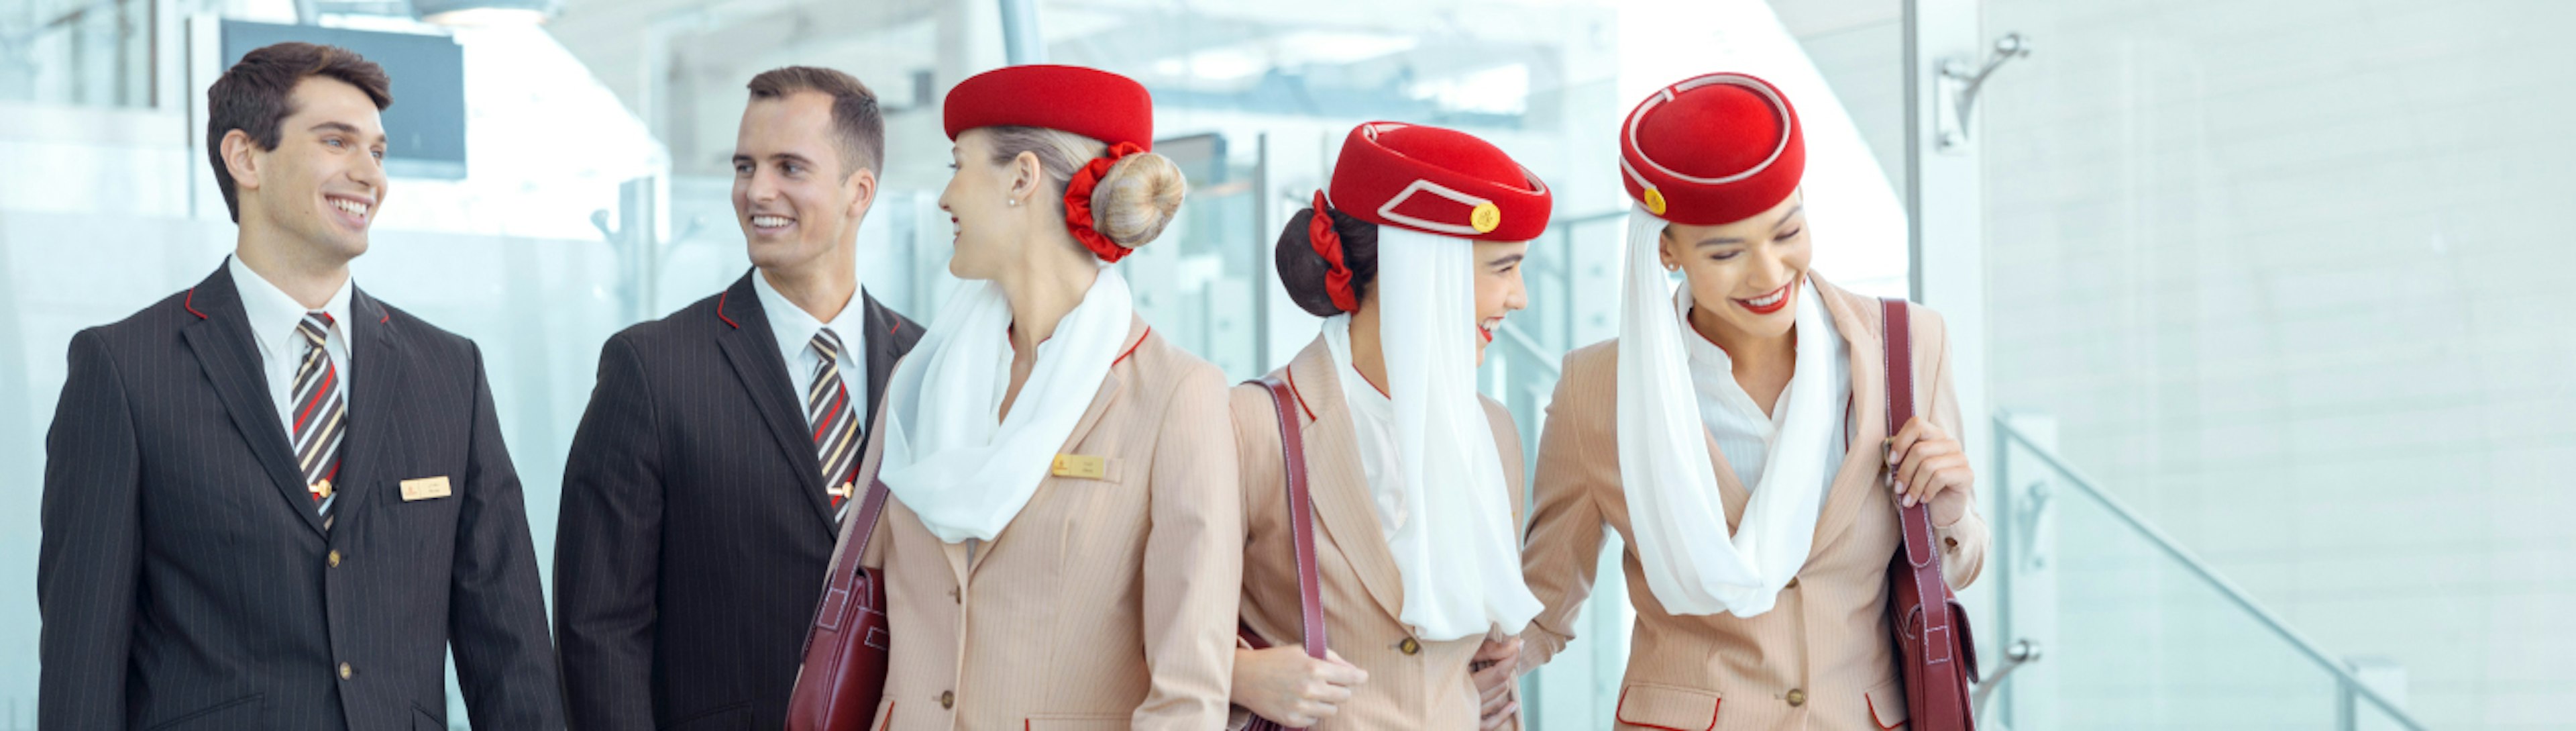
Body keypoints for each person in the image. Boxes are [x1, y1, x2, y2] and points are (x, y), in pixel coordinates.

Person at [37, 42, 561, 730]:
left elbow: (512, 653)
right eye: (336, 141)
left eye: (377, 151)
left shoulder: (449, 372)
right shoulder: (125, 369)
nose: (368, 174)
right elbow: (81, 665)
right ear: (245, 158)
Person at [1516, 71, 1989, 729]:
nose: (1768, 274)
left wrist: (1952, 511)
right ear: (1667, 252)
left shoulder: (1906, 346)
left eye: (1787, 233)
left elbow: (1961, 565)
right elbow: (1543, 603)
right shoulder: (1597, 389)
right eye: (1726, 252)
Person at [826, 64, 1240, 730]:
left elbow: (1188, 692)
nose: (944, 197)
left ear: (1021, 177)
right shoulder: (918, 379)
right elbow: (856, 582)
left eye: (958, 167)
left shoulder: (1177, 396)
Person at [554, 66, 922, 730]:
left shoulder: (927, 367)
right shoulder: (653, 368)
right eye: (745, 166)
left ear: (859, 192)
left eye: (789, 167)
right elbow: (597, 627)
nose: (757, 191)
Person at [1228, 122, 1550, 731]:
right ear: (1423, 267)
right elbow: (1146, 622)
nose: (1519, 297)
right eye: (1503, 269)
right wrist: (1240, 674)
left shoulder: (1493, 430)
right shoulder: (1251, 423)